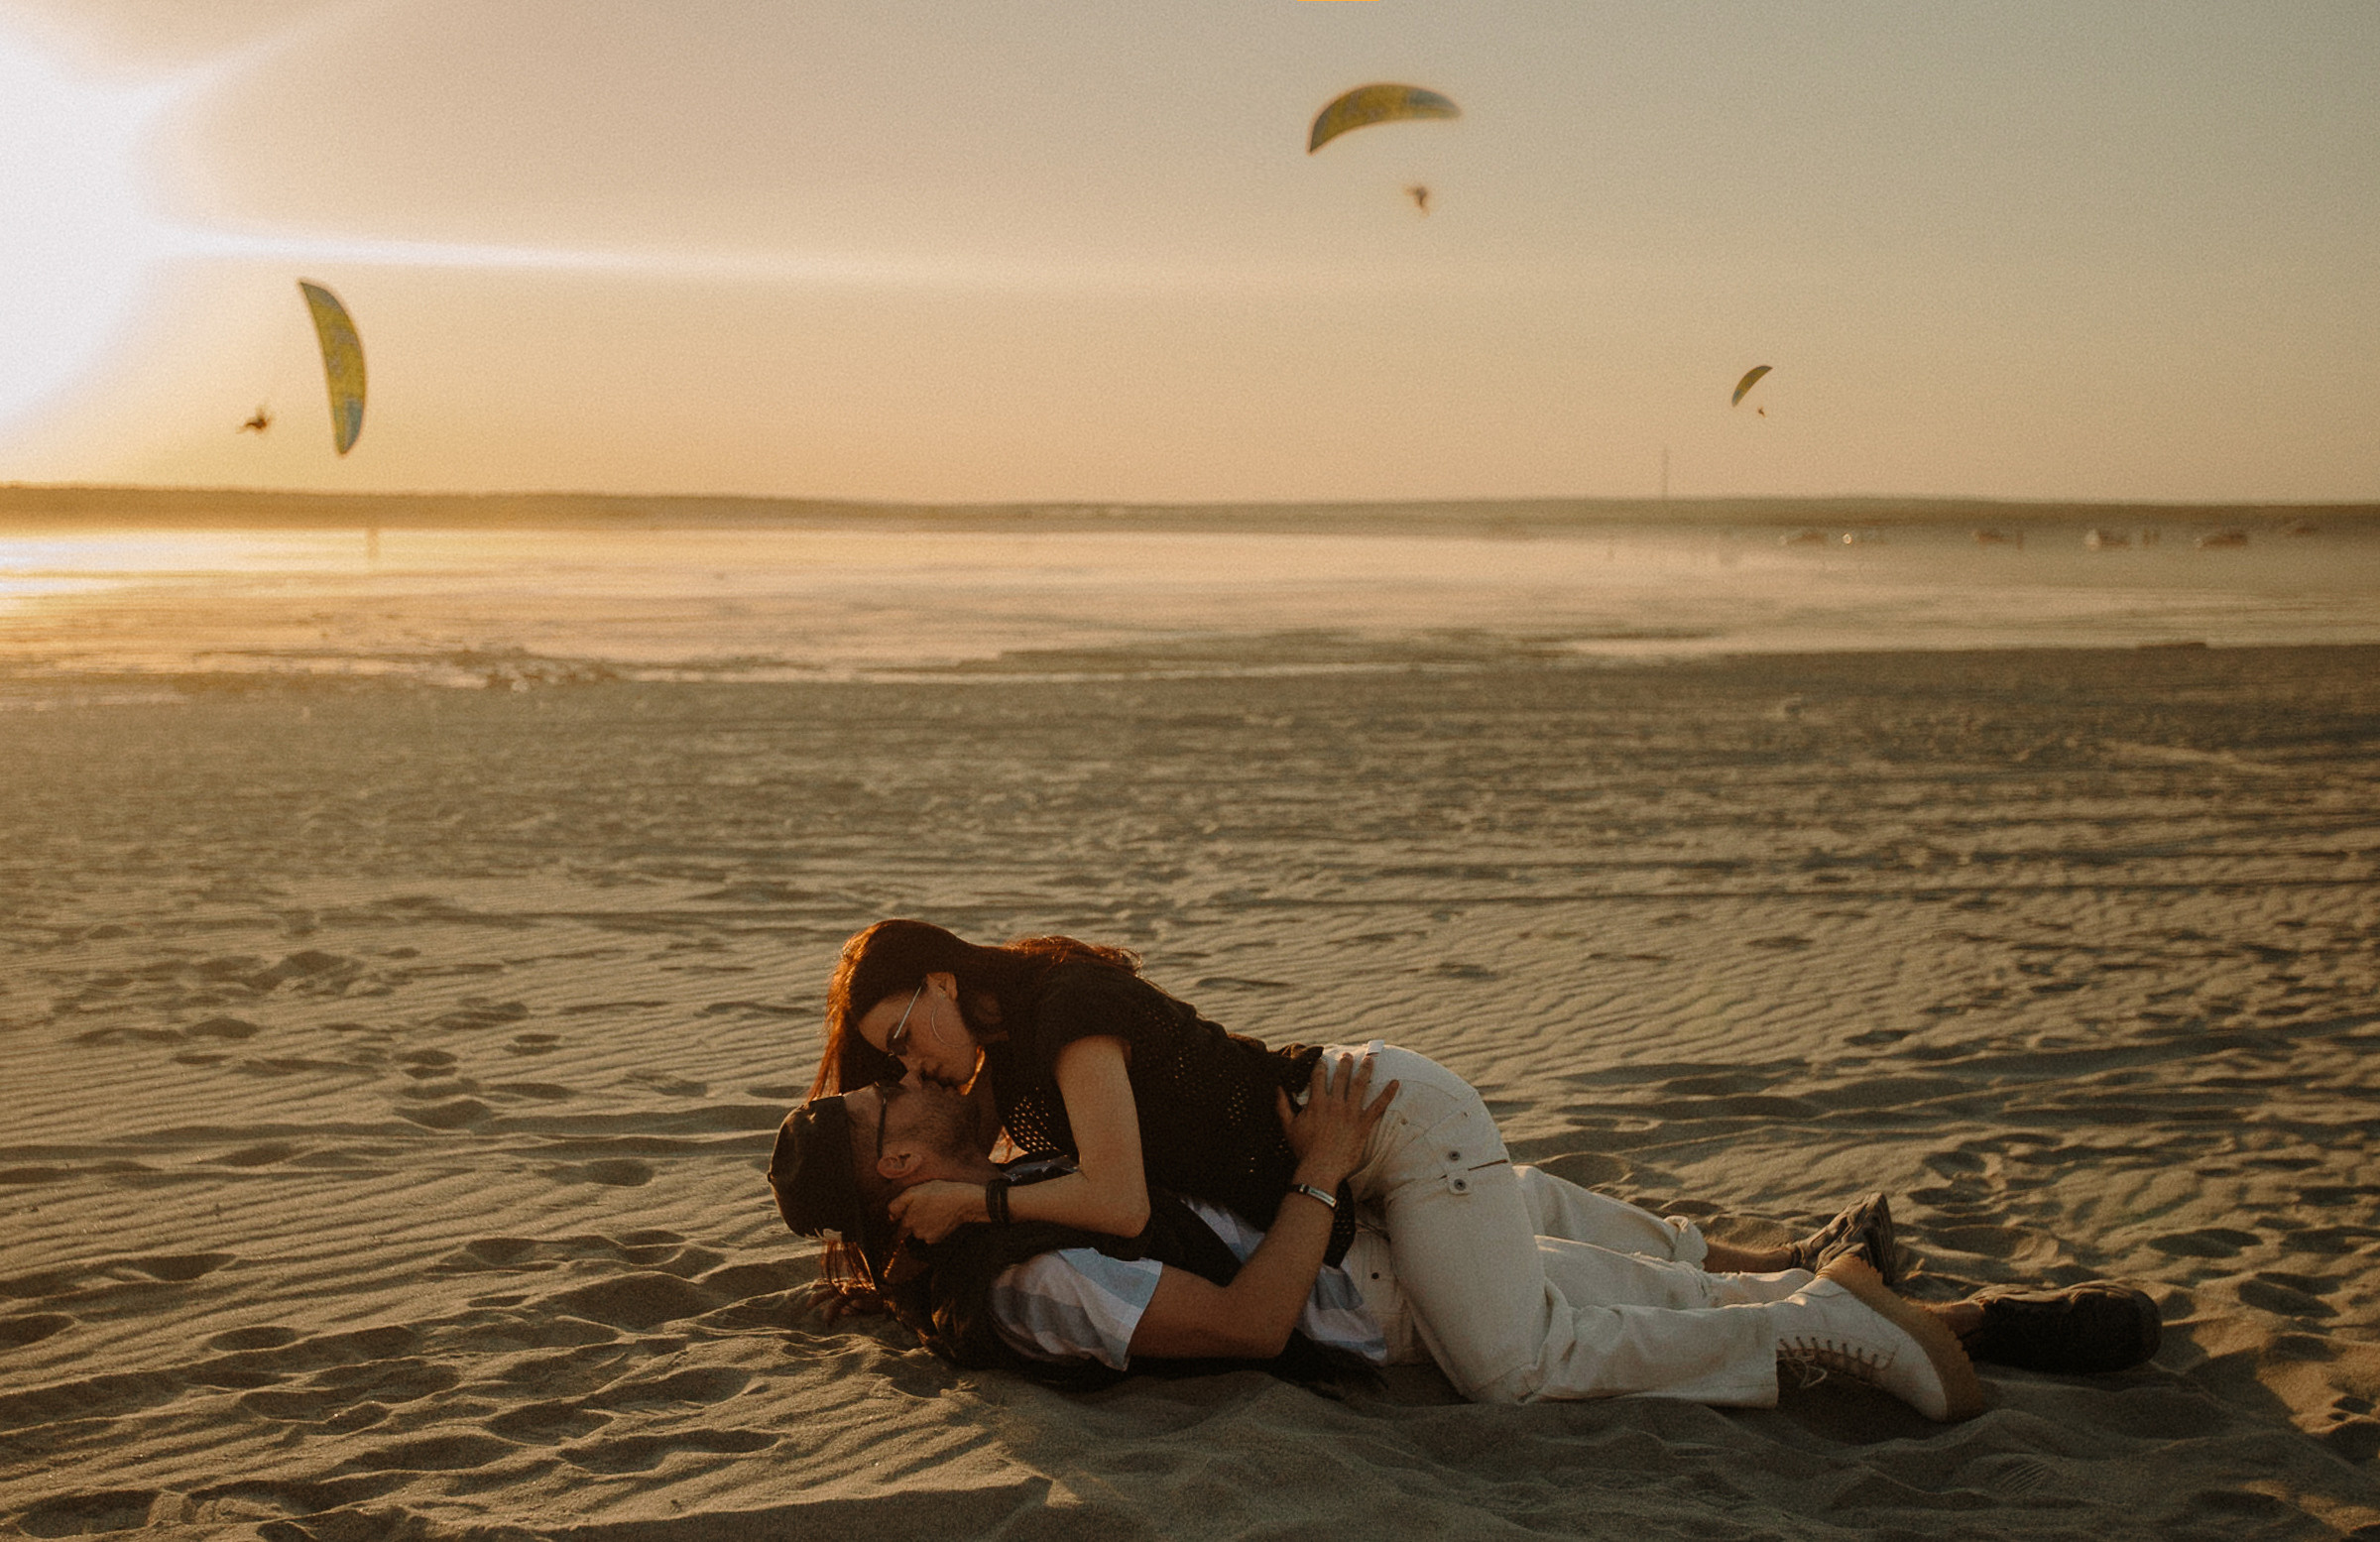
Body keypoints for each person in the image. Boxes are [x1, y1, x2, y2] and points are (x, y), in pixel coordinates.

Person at [772, 1047, 2160, 1417]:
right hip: (1377, 1306)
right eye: (891, 1088)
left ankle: (1961, 1316)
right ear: (896, 1161)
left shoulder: (996, 1199)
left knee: (1636, 1291)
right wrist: (1317, 1171)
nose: (912, 1075)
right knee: (1568, 1345)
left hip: (1382, 1253)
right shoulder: (1032, 1285)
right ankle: (1895, 1314)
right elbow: (1251, 1324)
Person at [804, 921, 1886, 1292]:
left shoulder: (1064, 1017)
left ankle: (1806, 1287)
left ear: (943, 979)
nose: (913, 1070)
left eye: (904, 1039)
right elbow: (935, 1155)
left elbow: (1118, 1199)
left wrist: (970, 1212)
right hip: (1324, 1145)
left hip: (1350, 1116)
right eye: (890, 1067)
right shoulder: (997, 1070)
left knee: (1505, 1333)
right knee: (1513, 1210)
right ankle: (1785, 1260)